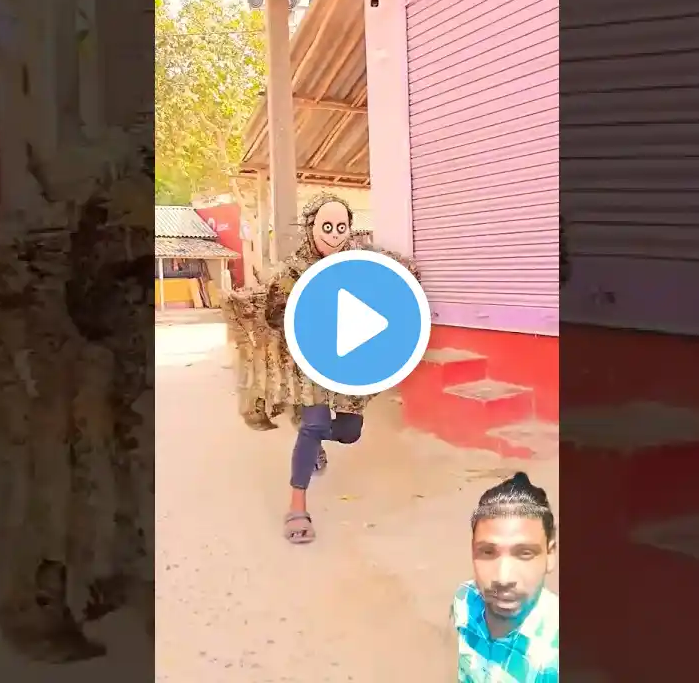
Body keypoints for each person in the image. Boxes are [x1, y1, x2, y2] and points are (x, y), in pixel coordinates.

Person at [221, 192, 420, 544]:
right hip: (309, 359)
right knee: (314, 423)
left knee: (350, 431)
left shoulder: (359, 260)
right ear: (311, 226)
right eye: (327, 226)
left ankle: (312, 440)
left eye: (342, 227)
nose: (335, 235)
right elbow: (273, 314)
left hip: (348, 360)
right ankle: (297, 506)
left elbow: (391, 278)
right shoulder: (293, 270)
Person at [453, 472, 560, 682]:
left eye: (524, 553)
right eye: (487, 552)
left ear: (550, 555)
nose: (503, 578)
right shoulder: (464, 600)